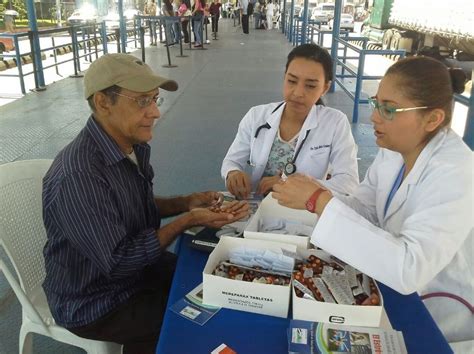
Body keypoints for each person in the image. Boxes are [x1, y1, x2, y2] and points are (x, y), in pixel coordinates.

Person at [42, 53, 248, 354]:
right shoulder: (79, 175)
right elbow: (119, 263)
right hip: (94, 298)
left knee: (208, 280)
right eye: (142, 101)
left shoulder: (130, 144)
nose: (155, 112)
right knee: (182, 323)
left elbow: (134, 204)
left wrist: (185, 202)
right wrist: (187, 220)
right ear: (103, 102)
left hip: (136, 272)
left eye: (155, 99)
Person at [272, 56, 473, 349]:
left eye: (389, 109)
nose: (374, 117)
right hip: (391, 288)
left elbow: (409, 268)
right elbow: (365, 208)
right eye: (376, 102)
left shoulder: (456, 173)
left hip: (439, 314)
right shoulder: (395, 149)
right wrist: (314, 193)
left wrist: (318, 201)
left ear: (432, 119)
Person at [221, 43, 359, 199]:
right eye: (292, 81)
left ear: (325, 88)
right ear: (284, 77)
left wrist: (288, 183)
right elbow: (231, 161)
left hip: (303, 212)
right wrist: (232, 173)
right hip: (258, 205)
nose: (298, 93)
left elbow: (348, 184)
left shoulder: (335, 123)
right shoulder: (256, 116)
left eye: (310, 86)